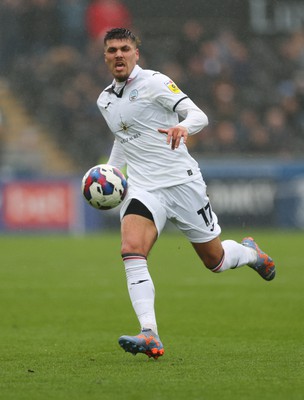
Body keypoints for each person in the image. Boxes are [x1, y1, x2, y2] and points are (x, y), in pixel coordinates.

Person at [97, 28, 276, 360]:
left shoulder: (154, 83)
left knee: (216, 261)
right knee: (131, 249)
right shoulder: (105, 100)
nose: (118, 54)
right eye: (112, 50)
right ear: (105, 56)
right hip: (143, 187)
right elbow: (122, 138)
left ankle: (250, 253)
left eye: (124, 49)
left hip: (182, 182)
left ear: (137, 53)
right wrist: (109, 173)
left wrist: (183, 127)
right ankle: (149, 333)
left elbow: (199, 115)